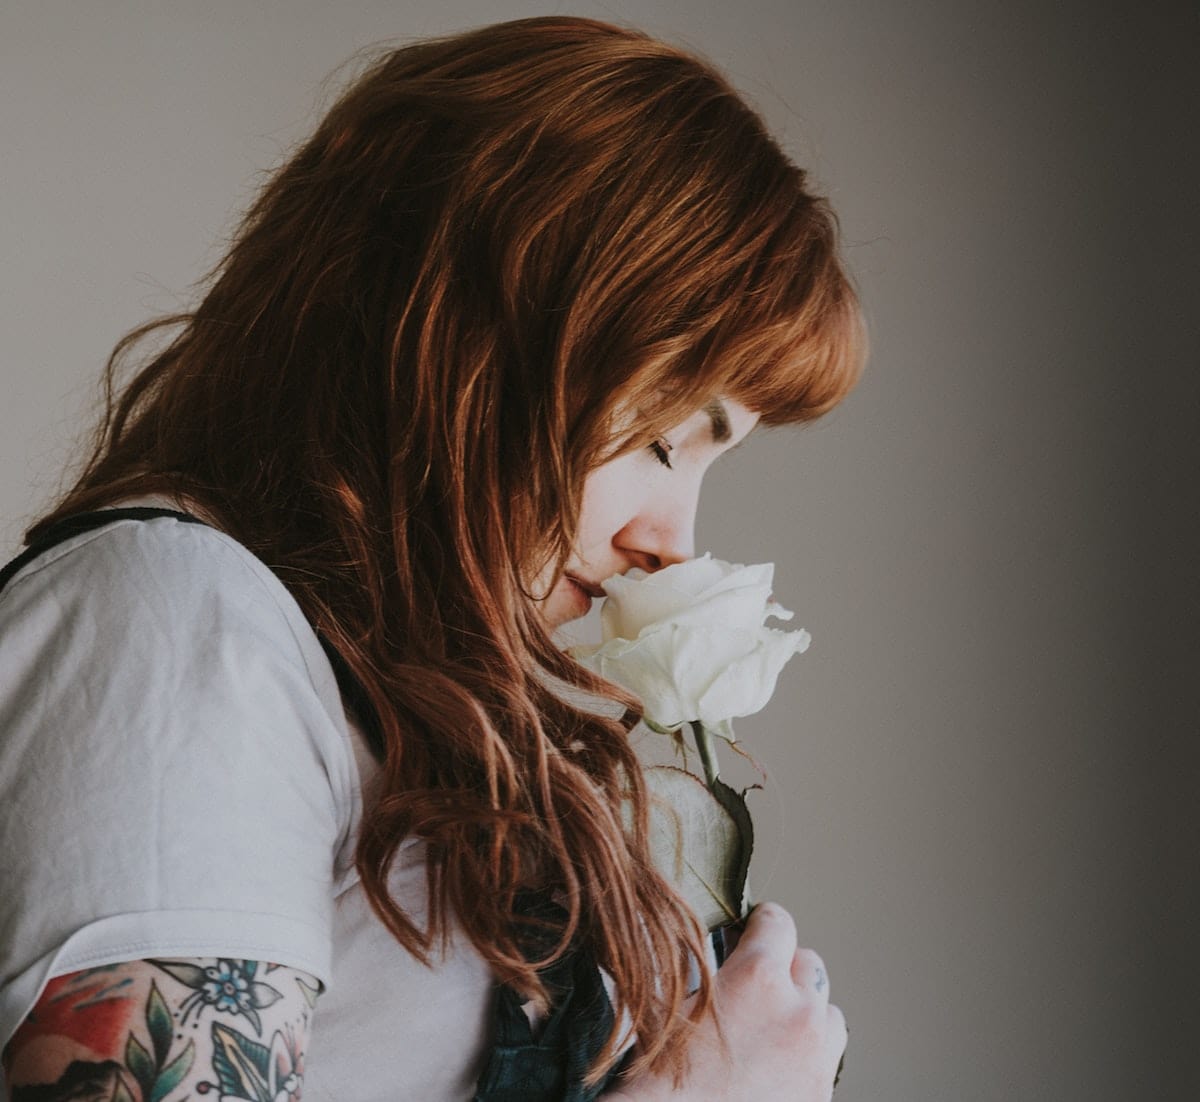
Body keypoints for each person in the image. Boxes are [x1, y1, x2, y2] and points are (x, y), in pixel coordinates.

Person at [0, 15, 863, 1102]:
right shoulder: (178, 631)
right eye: (659, 436)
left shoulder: (384, 701)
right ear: (473, 340)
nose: (674, 538)